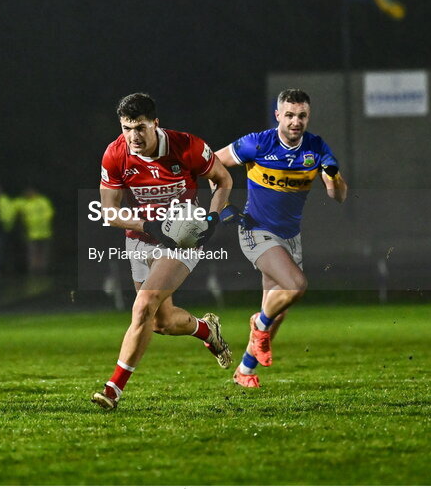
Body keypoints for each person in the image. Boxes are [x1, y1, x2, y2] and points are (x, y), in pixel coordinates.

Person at [90, 92, 233, 410]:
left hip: (182, 240)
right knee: (161, 321)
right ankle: (206, 330)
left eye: (140, 127)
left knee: (143, 306)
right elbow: (109, 211)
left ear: (155, 124)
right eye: (127, 128)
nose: (133, 136)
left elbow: (222, 179)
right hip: (141, 239)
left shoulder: (186, 146)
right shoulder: (115, 155)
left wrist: (211, 218)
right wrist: (148, 226)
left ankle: (113, 389)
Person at [214, 88, 347, 388]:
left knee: (278, 312)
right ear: (278, 116)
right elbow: (213, 164)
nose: (295, 121)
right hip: (255, 230)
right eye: (289, 115)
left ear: (308, 117)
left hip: (290, 238)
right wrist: (222, 207)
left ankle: (244, 372)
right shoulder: (258, 143)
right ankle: (258, 323)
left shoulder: (316, 147)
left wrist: (334, 176)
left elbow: (337, 195)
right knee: (296, 285)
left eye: (301, 116)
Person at [21, 187, 53, 275]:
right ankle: (33, 268)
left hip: (44, 232)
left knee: (43, 252)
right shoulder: (26, 204)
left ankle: (42, 268)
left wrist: (40, 221)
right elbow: (24, 216)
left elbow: (49, 213)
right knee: (32, 252)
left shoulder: (42, 201)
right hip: (32, 233)